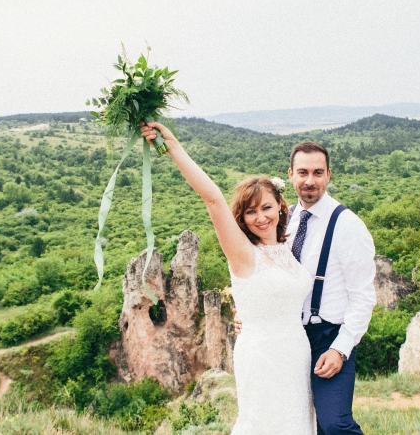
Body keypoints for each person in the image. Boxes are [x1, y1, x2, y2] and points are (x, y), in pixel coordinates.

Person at [140, 121, 315, 435]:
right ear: (243, 219)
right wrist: (173, 147)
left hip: (297, 354)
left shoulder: (289, 247)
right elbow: (213, 199)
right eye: (250, 212)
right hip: (262, 355)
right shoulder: (244, 253)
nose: (260, 217)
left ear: (280, 206)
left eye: (266, 208)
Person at [238, 141, 377, 435]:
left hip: (331, 336)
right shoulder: (280, 220)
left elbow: (363, 298)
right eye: (302, 172)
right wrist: (250, 313)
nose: (309, 181)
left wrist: (340, 349)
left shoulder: (348, 226)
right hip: (289, 339)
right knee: (291, 420)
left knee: (334, 423)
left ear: (329, 174)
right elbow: (265, 274)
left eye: (317, 172)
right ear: (290, 174)